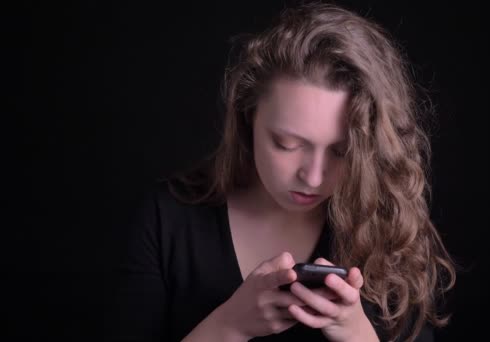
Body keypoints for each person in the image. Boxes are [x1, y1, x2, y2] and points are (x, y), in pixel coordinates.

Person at [104, 2, 455, 342]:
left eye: (342, 152)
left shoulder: (391, 227)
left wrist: (355, 334)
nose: (314, 177)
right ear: (247, 117)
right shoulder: (167, 220)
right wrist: (229, 326)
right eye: (287, 144)